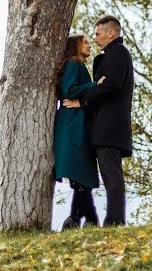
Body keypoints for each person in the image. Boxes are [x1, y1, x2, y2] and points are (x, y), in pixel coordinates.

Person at [62, 15, 134, 226]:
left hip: (109, 127)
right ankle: (87, 218)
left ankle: (115, 221)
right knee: (106, 175)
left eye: (98, 34)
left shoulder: (119, 52)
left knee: (112, 177)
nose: (95, 38)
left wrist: (82, 101)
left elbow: (111, 85)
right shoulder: (108, 56)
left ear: (111, 33)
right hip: (101, 127)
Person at [53, 34, 103, 229]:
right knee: (80, 174)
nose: (90, 45)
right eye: (86, 42)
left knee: (82, 177)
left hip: (76, 123)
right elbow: (70, 90)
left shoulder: (77, 65)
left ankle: (79, 220)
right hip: (73, 125)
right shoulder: (74, 64)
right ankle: (82, 220)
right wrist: (95, 85)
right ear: (76, 46)